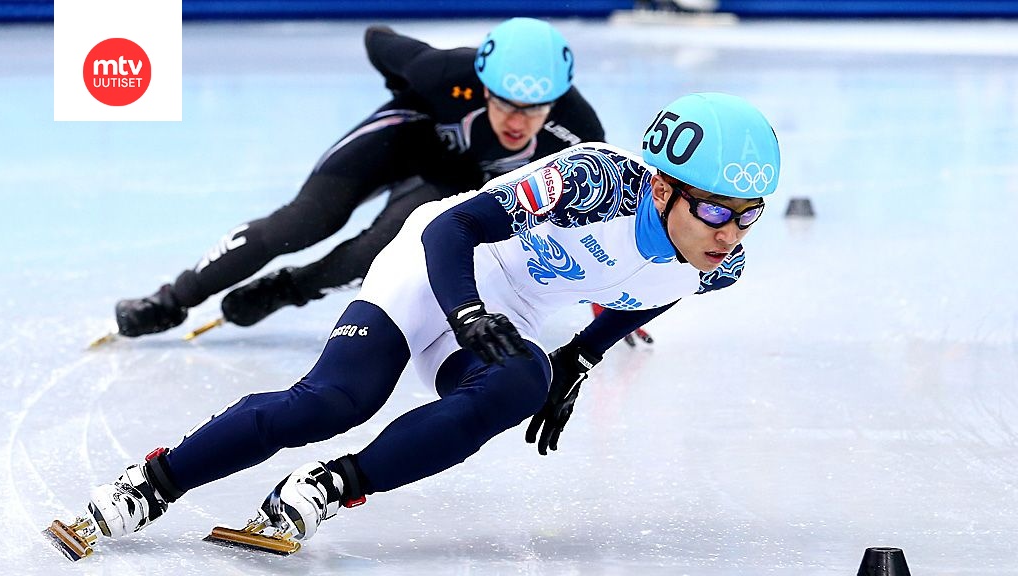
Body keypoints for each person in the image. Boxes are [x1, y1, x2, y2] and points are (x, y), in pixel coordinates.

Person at [64, 93, 780, 551]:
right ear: (659, 185)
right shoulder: (598, 182)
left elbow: (656, 290)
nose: (730, 232)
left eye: (749, 214)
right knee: (338, 401)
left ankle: (325, 488)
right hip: (436, 261)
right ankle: (153, 483)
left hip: (511, 310)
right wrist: (464, 312)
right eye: (715, 209)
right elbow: (454, 229)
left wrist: (582, 357)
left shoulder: (720, 262)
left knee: (523, 382)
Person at [113, 17, 604, 338]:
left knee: (376, 253)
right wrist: (409, 93)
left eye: (534, 108)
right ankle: (171, 299)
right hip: (404, 137)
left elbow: (595, 214)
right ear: (482, 85)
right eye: (503, 102)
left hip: (450, 181)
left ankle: (289, 288)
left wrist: (603, 303)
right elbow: (377, 39)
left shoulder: (578, 132)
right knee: (302, 222)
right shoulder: (443, 71)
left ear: (555, 100)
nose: (516, 122)